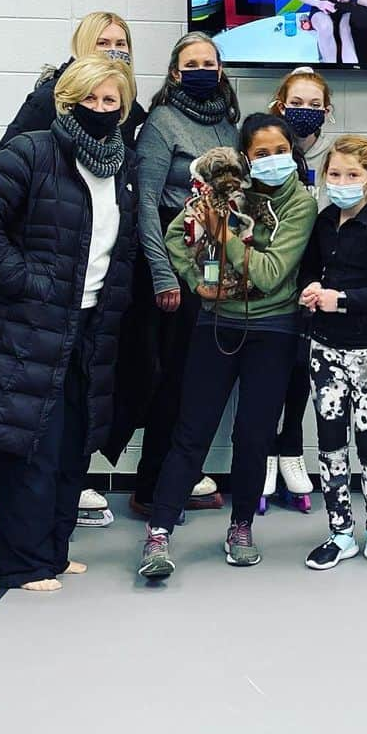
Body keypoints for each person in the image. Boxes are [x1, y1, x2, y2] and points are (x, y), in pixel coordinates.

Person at [0, 57, 137, 591]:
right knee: (34, 445)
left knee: (75, 444)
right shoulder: (31, 151)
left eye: (110, 101)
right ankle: (21, 562)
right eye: (90, 100)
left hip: (90, 325)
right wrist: (25, 280)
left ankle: (52, 550)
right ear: (66, 100)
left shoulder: (122, 164)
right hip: (29, 326)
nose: (100, 110)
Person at [138, 114, 317, 577]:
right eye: (261, 153)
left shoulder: (301, 203)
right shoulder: (225, 191)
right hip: (216, 324)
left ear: (292, 153)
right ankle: (158, 534)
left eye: (280, 150)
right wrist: (198, 281)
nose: (272, 159)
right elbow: (177, 234)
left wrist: (223, 234)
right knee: (191, 431)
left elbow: (270, 273)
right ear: (245, 158)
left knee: (254, 435)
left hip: (273, 329)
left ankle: (240, 527)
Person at [119, 32, 241, 516]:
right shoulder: (161, 124)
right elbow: (144, 202)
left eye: (209, 62)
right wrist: (163, 276)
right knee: (170, 381)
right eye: (192, 62)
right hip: (173, 267)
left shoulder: (229, 128)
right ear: (175, 72)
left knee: (199, 380)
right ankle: (150, 485)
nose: (202, 69)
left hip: (215, 264)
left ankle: (179, 473)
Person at [297, 136, 367, 573]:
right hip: (325, 349)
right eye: (334, 174)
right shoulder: (325, 221)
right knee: (329, 442)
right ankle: (340, 532)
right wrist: (309, 290)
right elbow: (310, 270)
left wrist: (342, 299)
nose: (341, 183)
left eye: (352, 175)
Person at [264, 66, 336, 510]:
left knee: (300, 372)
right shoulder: (266, 151)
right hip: (269, 282)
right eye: (296, 103)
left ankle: (291, 450)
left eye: (314, 105)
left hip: (314, 285)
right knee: (265, 373)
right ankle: (265, 454)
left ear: (326, 111)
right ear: (279, 105)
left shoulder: (334, 156)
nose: (303, 112)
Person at [0, 11, 146, 150]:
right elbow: (8, 156)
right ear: (83, 45)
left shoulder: (125, 99)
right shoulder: (50, 97)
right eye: (103, 43)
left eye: (120, 44)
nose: (113, 51)